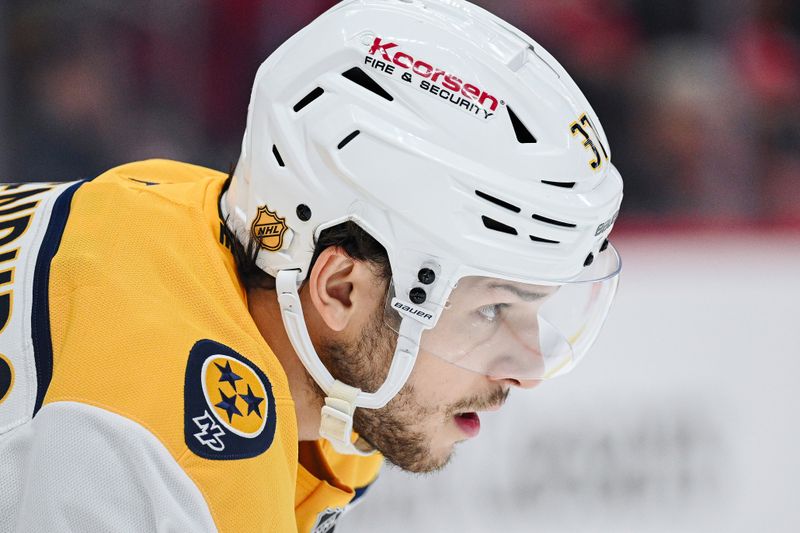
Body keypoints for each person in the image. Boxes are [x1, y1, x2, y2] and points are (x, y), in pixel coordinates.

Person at [0, 0, 623, 531]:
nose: (530, 369)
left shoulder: (196, 225)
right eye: (491, 309)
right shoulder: (151, 456)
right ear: (339, 289)